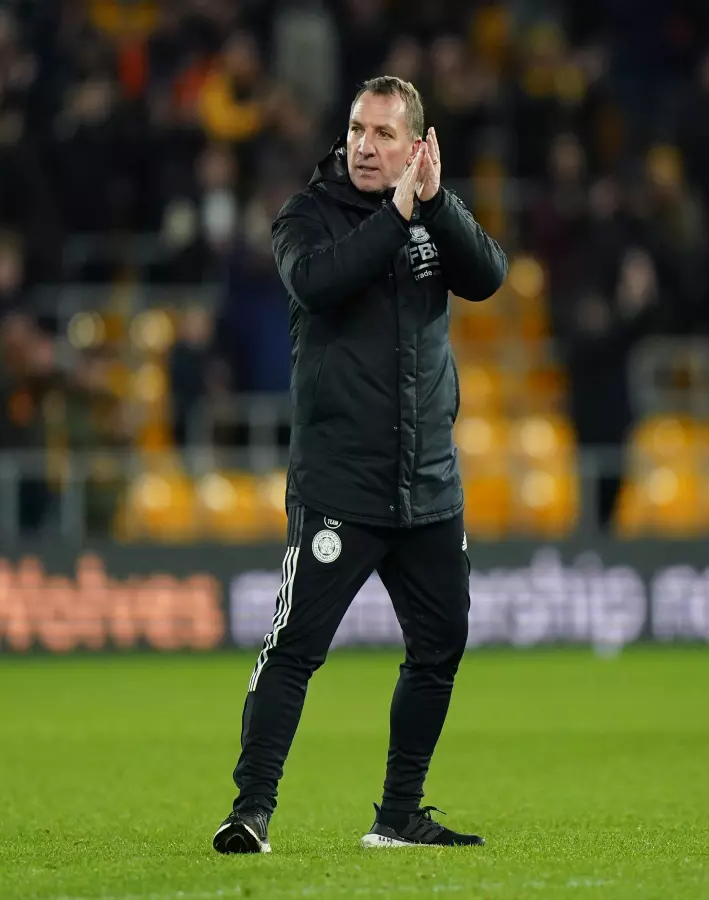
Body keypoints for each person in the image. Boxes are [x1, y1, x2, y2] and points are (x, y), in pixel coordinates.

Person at [212, 75, 507, 854]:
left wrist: (436, 206)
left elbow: (490, 276)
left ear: (416, 145)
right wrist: (401, 214)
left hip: (429, 486)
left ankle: (399, 814)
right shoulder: (307, 217)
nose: (364, 146)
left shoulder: (432, 214)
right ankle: (251, 811)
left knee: (440, 645)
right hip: (341, 484)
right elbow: (320, 281)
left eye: (382, 134)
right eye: (355, 130)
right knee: (295, 649)